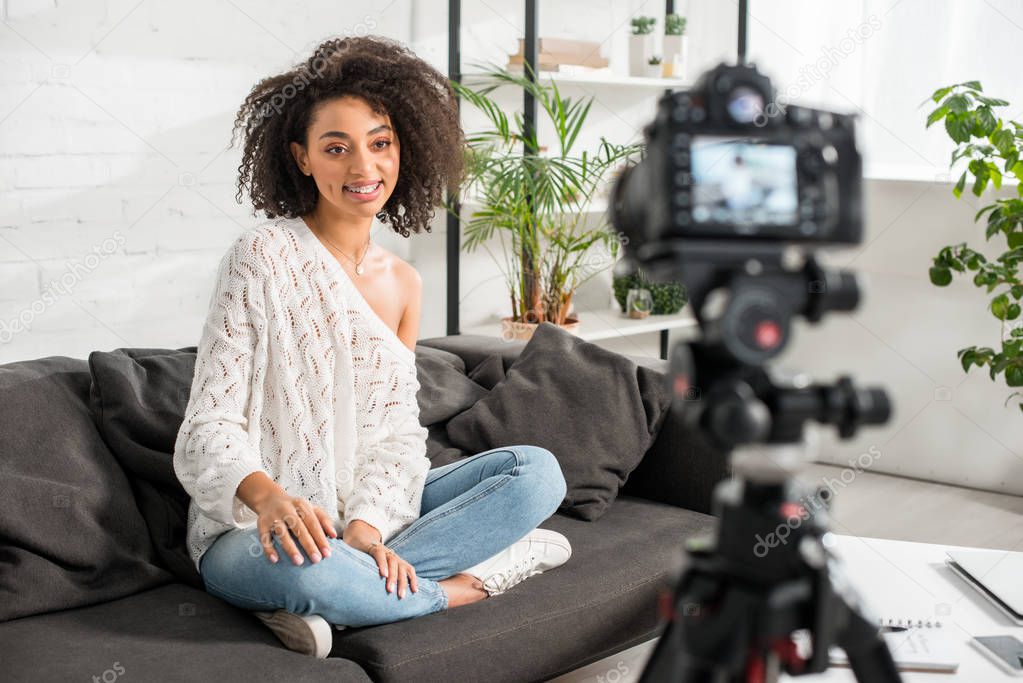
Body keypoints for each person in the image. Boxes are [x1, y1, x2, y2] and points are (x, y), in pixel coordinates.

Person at [172, 35, 571, 659]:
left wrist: (365, 530)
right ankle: (459, 588)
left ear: (403, 147)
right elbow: (208, 426)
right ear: (302, 158)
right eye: (337, 148)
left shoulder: (404, 283)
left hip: (368, 516)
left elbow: (397, 437)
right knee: (309, 568)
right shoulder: (261, 257)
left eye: (380, 143)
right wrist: (271, 499)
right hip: (253, 532)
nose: (364, 167)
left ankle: (349, 595)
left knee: (536, 474)